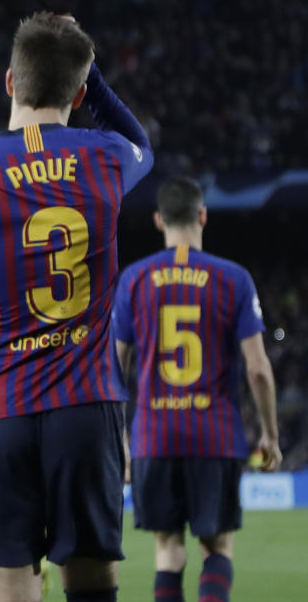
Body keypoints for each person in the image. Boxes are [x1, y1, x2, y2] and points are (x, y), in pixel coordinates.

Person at [0, 12, 154, 602]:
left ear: (9, 82)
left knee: (12, 586)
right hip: (87, 409)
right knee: (93, 582)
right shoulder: (105, 158)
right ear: (77, 91)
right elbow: (141, 142)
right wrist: (91, 79)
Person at [112, 176, 281, 602]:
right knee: (218, 549)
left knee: (168, 553)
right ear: (203, 215)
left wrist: (122, 441)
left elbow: (114, 368)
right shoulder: (235, 279)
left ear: (158, 220)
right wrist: (270, 435)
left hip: (154, 439)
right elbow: (258, 369)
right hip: (216, 437)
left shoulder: (133, 280)